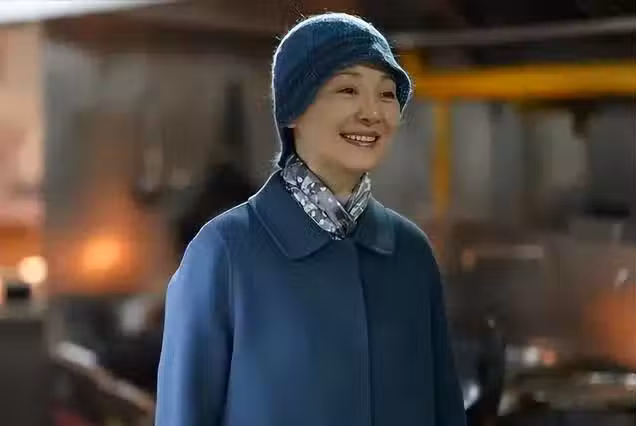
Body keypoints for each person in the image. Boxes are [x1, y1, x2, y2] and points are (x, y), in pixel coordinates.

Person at [155, 12, 466, 426]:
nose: (372, 112)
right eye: (348, 89)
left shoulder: (411, 253)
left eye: (387, 94)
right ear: (293, 110)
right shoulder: (224, 254)